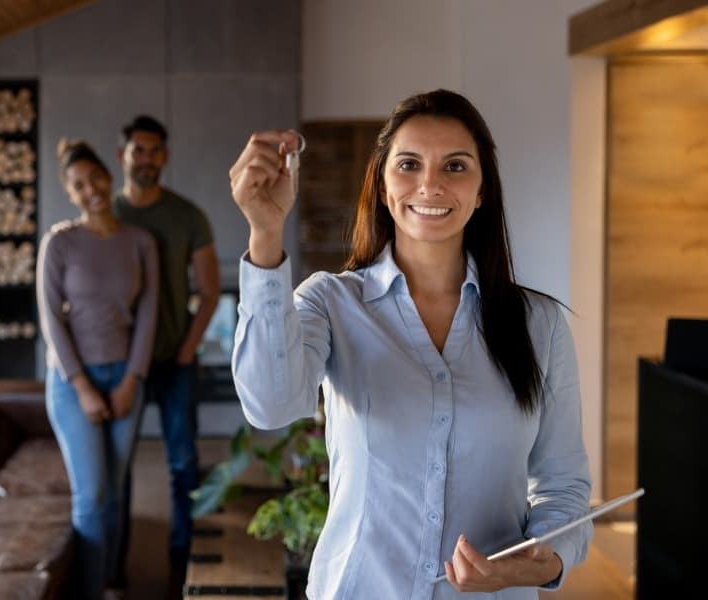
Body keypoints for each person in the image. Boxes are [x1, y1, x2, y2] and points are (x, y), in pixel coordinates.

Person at [228, 90, 592, 599]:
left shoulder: (540, 324)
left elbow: (565, 485)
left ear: (483, 189)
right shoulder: (332, 302)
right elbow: (269, 406)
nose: (430, 184)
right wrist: (265, 234)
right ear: (381, 185)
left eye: (456, 166)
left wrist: (534, 564)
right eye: (409, 164)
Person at [38, 138, 158, 600]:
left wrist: (132, 379)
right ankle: (89, 591)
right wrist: (83, 386)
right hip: (73, 384)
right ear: (70, 193)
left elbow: (147, 314)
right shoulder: (59, 243)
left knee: (116, 490)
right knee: (91, 497)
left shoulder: (139, 242)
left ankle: (112, 581)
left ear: (110, 177)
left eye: (95, 179)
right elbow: (51, 319)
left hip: (125, 377)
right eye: (78, 185)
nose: (90, 190)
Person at [111, 115, 221, 578]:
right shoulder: (107, 215)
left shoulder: (187, 215)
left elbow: (211, 289)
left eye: (154, 150)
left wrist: (187, 349)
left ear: (165, 157)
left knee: (182, 464)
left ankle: (182, 565)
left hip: (175, 360)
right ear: (123, 156)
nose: (146, 159)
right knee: (118, 469)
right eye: (138, 150)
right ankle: (114, 566)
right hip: (121, 366)